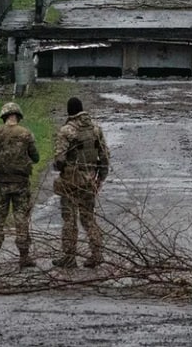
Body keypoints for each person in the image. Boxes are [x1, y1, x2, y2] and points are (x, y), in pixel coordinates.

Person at [51, 96, 110, 269]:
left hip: (71, 180)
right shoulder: (95, 129)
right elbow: (104, 155)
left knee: (69, 218)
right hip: (90, 178)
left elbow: (60, 158)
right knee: (88, 217)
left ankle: (69, 257)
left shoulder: (66, 131)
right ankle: (97, 253)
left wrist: (59, 166)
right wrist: (101, 177)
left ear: (70, 111)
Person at [0, 101, 40, 268]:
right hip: (20, 184)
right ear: (18, 116)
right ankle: (24, 257)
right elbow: (35, 157)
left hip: (1, 183)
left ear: (4, 116)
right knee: (21, 218)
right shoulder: (26, 134)